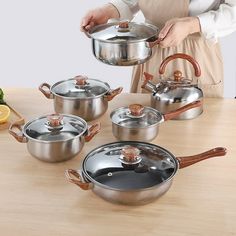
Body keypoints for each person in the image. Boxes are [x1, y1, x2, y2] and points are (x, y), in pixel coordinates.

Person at [81, 0, 236, 97]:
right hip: (150, 49)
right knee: (145, 128)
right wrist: (110, 10)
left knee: (199, 133)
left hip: (198, 53)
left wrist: (192, 24)